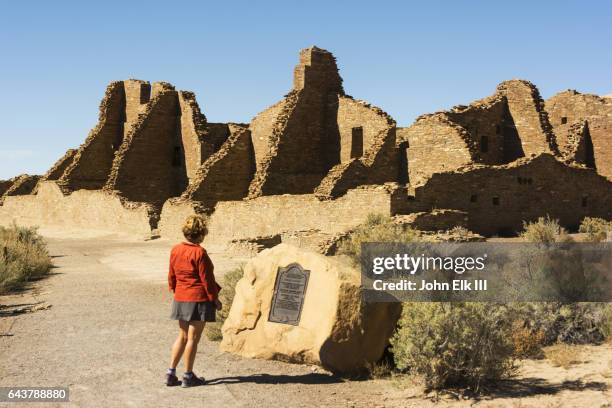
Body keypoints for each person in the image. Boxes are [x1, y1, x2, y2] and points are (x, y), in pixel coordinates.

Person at [166, 215, 222, 387]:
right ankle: (188, 376)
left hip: (181, 297)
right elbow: (207, 280)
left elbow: (171, 275)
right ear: (201, 233)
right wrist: (215, 300)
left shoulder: (175, 249)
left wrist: (176, 290)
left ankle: (170, 373)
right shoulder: (199, 252)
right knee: (192, 339)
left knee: (182, 336)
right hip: (198, 298)